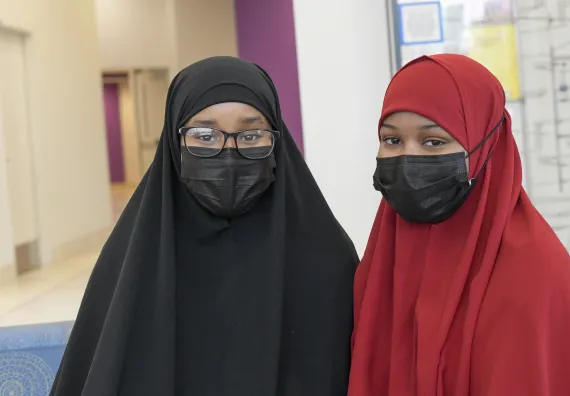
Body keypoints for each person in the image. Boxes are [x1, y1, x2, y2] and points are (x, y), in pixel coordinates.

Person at [51, 56, 358, 395]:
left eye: (251, 134)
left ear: (277, 141)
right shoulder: (130, 266)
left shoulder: (326, 259)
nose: (229, 150)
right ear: (173, 141)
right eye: (204, 135)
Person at [348, 54, 570, 395]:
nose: (408, 157)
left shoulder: (534, 273)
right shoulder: (379, 265)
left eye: (434, 141)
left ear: (485, 148)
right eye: (392, 140)